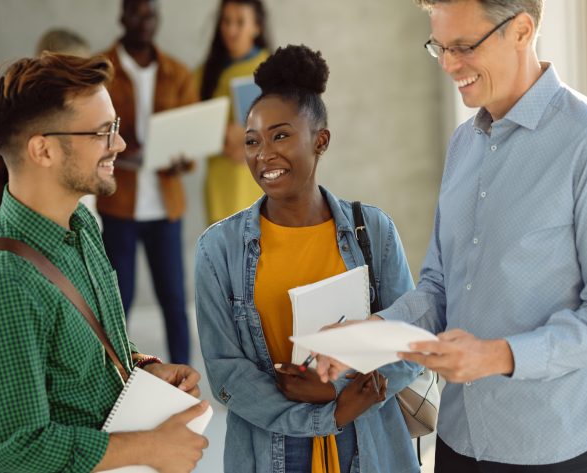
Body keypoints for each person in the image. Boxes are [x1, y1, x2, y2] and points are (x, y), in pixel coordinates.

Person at [317, 1, 587, 471]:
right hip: (461, 437)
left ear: (521, 30)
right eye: (441, 47)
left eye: (464, 46)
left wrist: (496, 356)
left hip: (562, 444)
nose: (450, 64)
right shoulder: (464, 144)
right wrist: (366, 340)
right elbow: (438, 288)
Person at [0, 52, 209, 473]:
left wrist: (145, 368)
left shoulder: (82, 224)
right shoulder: (1, 286)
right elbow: (22, 452)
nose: (121, 144)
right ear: (43, 150)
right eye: (103, 131)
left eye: (117, 127)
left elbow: (86, 342)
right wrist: (150, 448)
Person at [195, 45, 421, 473]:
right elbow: (227, 377)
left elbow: (408, 346)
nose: (264, 154)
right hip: (270, 452)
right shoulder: (217, 249)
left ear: (321, 140)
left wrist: (339, 389)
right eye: (252, 141)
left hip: (370, 444)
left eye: (280, 135)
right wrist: (327, 413)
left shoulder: (372, 231)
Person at [98, 0, 198, 365]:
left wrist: (180, 159)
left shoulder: (177, 72)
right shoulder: (101, 69)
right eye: (137, 13)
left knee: (174, 299)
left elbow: (192, 141)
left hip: (165, 205)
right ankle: (118, 379)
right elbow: (91, 129)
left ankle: (185, 382)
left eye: (151, 14)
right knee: (117, 301)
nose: (145, 21)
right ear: (122, 16)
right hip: (119, 203)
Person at [0, 28, 91, 237]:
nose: (87, 78)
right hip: (51, 232)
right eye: (79, 68)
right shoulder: (37, 116)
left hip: (81, 228)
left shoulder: (77, 110)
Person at [197, 0, 270, 224]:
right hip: (220, 184)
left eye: (240, 22)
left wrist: (249, 139)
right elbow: (191, 123)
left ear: (257, 27)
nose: (231, 30)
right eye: (226, 21)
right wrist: (222, 134)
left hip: (258, 186)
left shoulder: (273, 69)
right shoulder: (205, 72)